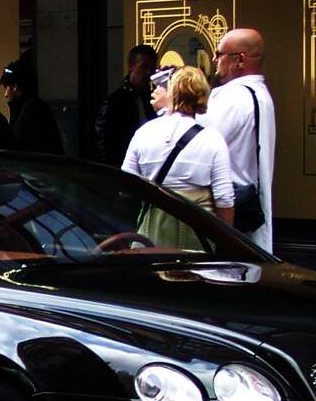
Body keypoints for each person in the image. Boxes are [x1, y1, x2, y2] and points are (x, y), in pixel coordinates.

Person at [122, 67, 236, 242]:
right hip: (198, 240)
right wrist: (226, 244)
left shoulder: (144, 133)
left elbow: (127, 184)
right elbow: (225, 200)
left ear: (170, 94)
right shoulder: (212, 139)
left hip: (151, 238)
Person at [206, 27, 276, 252]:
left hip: (227, 208)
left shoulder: (235, 98)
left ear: (240, 60)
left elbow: (197, 142)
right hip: (244, 204)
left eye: (219, 54)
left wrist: (171, 107)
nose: (214, 60)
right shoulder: (257, 94)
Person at [96, 44, 156, 165]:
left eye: (152, 68)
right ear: (131, 66)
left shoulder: (152, 99)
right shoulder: (114, 102)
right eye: (143, 67)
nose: (148, 72)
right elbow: (103, 143)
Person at [0, 60, 63, 155]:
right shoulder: (31, 108)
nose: (5, 94)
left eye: (6, 88)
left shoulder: (31, 110)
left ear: (15, 87)